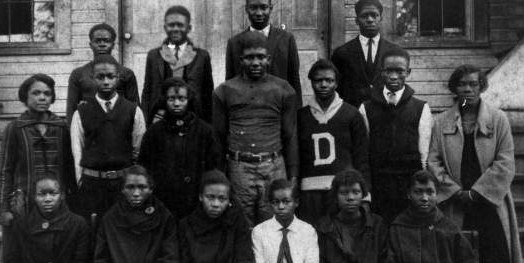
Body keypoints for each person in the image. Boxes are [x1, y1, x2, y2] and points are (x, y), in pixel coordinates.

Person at [427, 64, 524, 263]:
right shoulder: (441, 122)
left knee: (493, 258)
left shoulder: (498, 120)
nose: (467, 89)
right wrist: (455, 191)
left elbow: (505, 161)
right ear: (455, 88)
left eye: (473, 84)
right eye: (462, 84)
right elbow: (433, 161)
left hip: (489, 201)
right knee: (458, 256)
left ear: (481, 87)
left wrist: (478, 192)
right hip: (456, 202)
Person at [213, 31, 298, 226]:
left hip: (273, 165)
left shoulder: (283, 90)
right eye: (250, 57)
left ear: (268, 59)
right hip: (240, 167)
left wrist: (293, 176)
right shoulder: (225, 91)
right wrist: (219, 175)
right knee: (242, 225)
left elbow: (290, 135)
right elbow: (218, 137)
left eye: (260, 57)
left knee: (275, 225)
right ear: (241, 59)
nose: (255, 62)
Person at [359, 48, 432, 224]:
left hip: (408, 182)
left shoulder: (420, 108)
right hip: (379, 182)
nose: (393, 76)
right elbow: (363, 150)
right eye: (388, 71)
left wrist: (420, 185)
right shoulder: (366, 108)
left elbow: (424, 152)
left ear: (408, 72)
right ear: (381, 72)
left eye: (399, 71)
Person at [70, 54, 146, 221]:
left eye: (110, 76)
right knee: (95, 232)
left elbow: (138, 149)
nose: (106, 81)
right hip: (92, 184)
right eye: (100, 77)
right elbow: (78, 151)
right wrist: (81, 182)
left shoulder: (133, 110)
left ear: (118, 78)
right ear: (93, 78)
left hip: (123, 184)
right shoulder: (82, 112)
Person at [0, 73, 76, 226]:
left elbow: (70, 168)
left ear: (52, 98)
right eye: (36, 93)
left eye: (47, 93)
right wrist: (2, 208)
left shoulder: (62, 127)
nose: (42, 97)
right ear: (25, 97)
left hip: (57, 202)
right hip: (25, 204)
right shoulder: (15, 128)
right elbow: (5, 170)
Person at [297, 59, 370, 225]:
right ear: (311, 82)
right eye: (318, 80)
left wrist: (365, 194)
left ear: (336, 83)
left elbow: (361, 156)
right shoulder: (301, 116)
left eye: (329, 80)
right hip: (310, 192)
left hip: (343, 191)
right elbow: (297, 156)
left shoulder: (351, 114)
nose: (323, 85)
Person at [138, 78, 223, 219]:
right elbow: (145, 166)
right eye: (172, 99)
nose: (177, 103)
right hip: (164, 199)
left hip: (195, 198)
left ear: (188, 99)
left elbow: (214, 166)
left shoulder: (204, 131)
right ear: (165, 100)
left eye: (181, 98)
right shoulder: (154, 132)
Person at [225, 0, 301, 102]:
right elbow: (229, 83)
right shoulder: (234, 43)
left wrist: (297, 115)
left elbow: (294, 80)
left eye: (263, 7)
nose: (259, 13)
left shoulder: (286, 39)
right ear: (246, 9)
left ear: (271, 8)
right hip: (245, 109)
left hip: (278, 109)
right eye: (253, 8)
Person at [141, 6, 214, 124]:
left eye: (180, 25)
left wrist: (208, 123)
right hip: (161, 115)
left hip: (193, 115)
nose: (175, 29)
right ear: (165, 27)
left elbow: (207, 93)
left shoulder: (201, 56)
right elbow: (147, 91)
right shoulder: (154, 56)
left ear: (188, 28)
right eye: (171, 25)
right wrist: (146, 119)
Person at [331, 0, 400, 109]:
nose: (370, 19)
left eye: (374, 15)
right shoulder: (342, 53)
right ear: (356, 20)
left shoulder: (394, 52)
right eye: (364, 16)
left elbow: (397, 86)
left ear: (381, 18)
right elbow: (337, 90)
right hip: (353, 115)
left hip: (384, 113)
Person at [66, 23, 139, 123]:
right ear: (90, 44)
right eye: (97, 41)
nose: (102, 44)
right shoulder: (79, 74)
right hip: (89, 127)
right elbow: (71, 110)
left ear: (113, 44)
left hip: (120, 126)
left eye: (106, 41)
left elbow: (135, 108)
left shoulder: (126, 73)